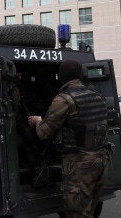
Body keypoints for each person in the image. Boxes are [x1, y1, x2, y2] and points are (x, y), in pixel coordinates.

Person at [28, 60, 110, 217]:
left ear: (61, 77)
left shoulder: (64, 99)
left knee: (76, 213)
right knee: (89, 211)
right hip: (101, 161)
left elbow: (43, 133)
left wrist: (38, 120)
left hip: (81, 166)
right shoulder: (96, 95)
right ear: (80, 75)